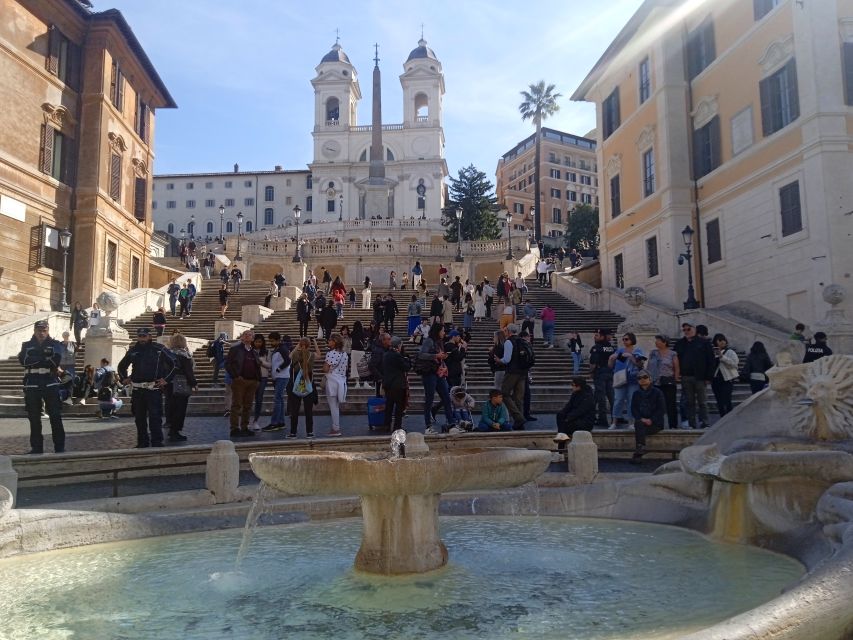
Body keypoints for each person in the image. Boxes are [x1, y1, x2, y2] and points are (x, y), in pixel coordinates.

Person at [117, 327, 177, 448]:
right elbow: (121, 366)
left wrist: (166, 379)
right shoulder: (133, 351)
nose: (142, 338)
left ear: (150, 336)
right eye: (140, 336)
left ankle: (157, 441)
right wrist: (124, 378)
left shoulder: (159, 349)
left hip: (153, 389)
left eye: (144, 336)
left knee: (155, 417)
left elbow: (175, 363)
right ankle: (142, 442)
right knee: (139, 418)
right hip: (138, 390)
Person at [18, 320, 66, 454]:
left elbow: (54, 361)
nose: (41, 333)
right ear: (34, 331)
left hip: (50, 382)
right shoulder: (26, 345)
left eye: (44, 330)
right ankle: (36, 447)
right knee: (34, 418)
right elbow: (24, 361)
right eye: (39, 330)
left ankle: (59, 447)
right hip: (32, 383)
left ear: (48, 331)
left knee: (55, 416)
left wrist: (36, 358)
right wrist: (44, 358)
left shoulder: (55, 344)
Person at [674, 322, 715, 429]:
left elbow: (710, 360)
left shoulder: (704, 343)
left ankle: (705, 422)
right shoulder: (680, 344)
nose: (687, 331)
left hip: (700, 377)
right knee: (689, 402)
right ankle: (692, 423)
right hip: (686, 377)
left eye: (689, 329)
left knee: (702, 401)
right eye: (684, 330)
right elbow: (675, 359)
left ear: (694, 329)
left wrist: (709, 377)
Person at [416, 323, 455, 434]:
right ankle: (428, 425)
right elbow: (421, 354)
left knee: (446, 397)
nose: (444, 333)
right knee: (429, 398)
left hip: (439, 373)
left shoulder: (439, 342)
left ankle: (451, 423)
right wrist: (436, 356)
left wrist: (443, 358)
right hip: (429, 373)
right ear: (437, 331)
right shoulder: (429, 341)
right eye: (442, 331)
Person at [225, 329, 261, 438]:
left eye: (250, 335)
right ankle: (234, 428)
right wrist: (235, 376)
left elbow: (257, 365)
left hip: (252, 381)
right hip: (239, 380)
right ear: (242, 337)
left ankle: (245, 427)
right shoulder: (235, 349)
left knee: (248, 406)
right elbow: (227, 364)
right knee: (236, 405)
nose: (247, 336)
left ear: (253, 338)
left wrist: (257, 380)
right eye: (245, 335)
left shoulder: (254, 352)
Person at [499, 323, 533, 430]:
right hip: (523, 373)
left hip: (512, 372)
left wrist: (499, 360)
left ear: (508, 331)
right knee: (519, 398)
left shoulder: (509, 342)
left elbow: (507, 359)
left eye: (505, 331)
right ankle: (520, 423)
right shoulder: (522, 341)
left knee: (504, 393)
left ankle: (519, 418)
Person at [164, 333, 197, 442]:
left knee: (170, 405)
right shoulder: (184, 355)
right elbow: (188, 371)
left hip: (168, 383)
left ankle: (170, 425)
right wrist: (193, 383)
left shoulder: (167, 354)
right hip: (181, 383)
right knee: (180, 408)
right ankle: (175, 431)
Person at [608, 332, 645, 428]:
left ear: (632, 340)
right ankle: (614, 422)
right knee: (618, 400)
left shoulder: (638, 351)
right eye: (623, 339)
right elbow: (610, 366)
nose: (624, 341)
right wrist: (611, 359)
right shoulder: (619, 350)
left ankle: (631, 423)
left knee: (631, 400)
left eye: (626, 339)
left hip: (632, 379)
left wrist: (630, 356)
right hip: (619, 378)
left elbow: (640, 365)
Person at [287, 337, 321, 439]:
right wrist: (314, 342)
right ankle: (309, 432)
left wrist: (298, 345)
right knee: (308, 411)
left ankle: (293, 433)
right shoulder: (312, 355)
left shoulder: (296, 354)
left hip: (296, 386)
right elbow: (319, 354)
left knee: (295, 411)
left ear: (300, 344)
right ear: (309, 345)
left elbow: (289, 356)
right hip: (308, 385)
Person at [630, 370, 666, 463]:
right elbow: (634, 409)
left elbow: (661, 409)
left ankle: (638, 453)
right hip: (641, 423)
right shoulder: (636, 394)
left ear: (650, 379)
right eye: (639, 378)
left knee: (639, 427)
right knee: (639, 424)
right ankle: (640, 450)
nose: (642, 379)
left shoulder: (658, 392)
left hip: (655, 424)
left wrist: (651, 420)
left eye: (645, 377)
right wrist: (642, 419)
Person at [647, 335, 680, 429]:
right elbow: (649, 365)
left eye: (658, 340)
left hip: (668, 381)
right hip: (655, 381)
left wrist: (675, 378)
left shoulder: (672, 353)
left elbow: (676, 367)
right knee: (655, 404)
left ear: (664, 342)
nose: (656, 342)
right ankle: (657, 424)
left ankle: (673, 425)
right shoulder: (653, 353)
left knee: (670, 404)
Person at [382, 336, 411, 433]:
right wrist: (407, 359)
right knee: (399, 407)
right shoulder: (397, 356)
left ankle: (386, 425)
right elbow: (406, 367)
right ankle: (397, 427)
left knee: (389, 406)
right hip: (398, 385)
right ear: (399, 345)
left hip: (388, 384)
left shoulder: (386, 355)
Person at [263, 332, 291, 431]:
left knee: (277, 399)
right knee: (280, 399)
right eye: (270, 340)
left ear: (278, 340)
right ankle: (281, 422)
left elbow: (288, 360)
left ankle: (274, 422)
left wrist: (279, 369)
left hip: (282, 376)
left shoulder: (282, 348)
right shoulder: (278, 349)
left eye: (272, 341)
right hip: (278, 376)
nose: (271, 342)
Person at [555, 377, 596, 443]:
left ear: (579, 386)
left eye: (573, 385)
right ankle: (561, 436)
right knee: (560, 415)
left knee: (565, 426)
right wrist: (563, 413)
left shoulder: (588, 397)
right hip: (574, 418)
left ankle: (561, 446)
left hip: (585, 421)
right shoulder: (575, 394)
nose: (572, 387)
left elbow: (581, 411)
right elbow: (568, 406)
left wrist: (568, 418)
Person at [589, 329, 616, 428]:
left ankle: (602, 419)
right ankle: (615, 418)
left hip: (600, 374)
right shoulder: (611, 348)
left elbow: (593, 363)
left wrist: (591, 372)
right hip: (609, 373)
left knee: (601, 398)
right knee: (611, 397)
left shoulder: (596, 348)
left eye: (597, 335)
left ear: (602, 337)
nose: (595, 337)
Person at [323, 332, 349, 437]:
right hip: (341, 381)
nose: (328, 342)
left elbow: (325, 368)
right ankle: (335, 427)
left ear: (334, 342)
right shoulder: (345, 354)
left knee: (333, 406)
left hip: (332, 381)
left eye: (330, 340)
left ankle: (335, 428)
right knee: (336, 406)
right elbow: (346, 368)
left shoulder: (331, 354)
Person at [711, 333, 739, 417]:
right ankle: (722, 417)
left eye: (722, 340)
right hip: (716, 379)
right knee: (719, 401)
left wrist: (722, 357)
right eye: (719, 340)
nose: (721, 342)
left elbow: (735, 364)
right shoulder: (712, 352)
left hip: (727, 379)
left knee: (727, 400)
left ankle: (729, 418)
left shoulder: (730, 352)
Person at [249, 334, 271, 432]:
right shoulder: (249, 351)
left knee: (259, 399)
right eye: (256, 341)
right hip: (251, 376)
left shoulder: (266, 352)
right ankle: (246, 421)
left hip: (262, 377)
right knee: (248, 398)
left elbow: (270, 365)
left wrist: (261, 362)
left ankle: (256, 420)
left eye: (260, 342)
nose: (258, 343)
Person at [368, 332, 391, 397]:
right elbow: (371, 365)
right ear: (383, 341)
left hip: (386, 379)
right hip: (380, 381)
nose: (390, 340)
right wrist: (380, 377)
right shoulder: (378, 351)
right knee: (380, 400)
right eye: (389, 339)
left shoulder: (387, 349)